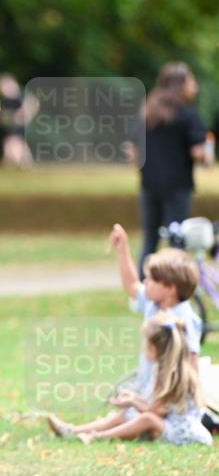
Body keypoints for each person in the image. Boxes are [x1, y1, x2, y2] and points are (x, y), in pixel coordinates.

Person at [47, 223, 202, 440]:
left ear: (170, 287)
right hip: (152, 388)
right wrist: (123, 250)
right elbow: (131, 286)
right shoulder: (153, 304)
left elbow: (191, 363)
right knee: (125, 413)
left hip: (170, 397)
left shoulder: (185, 318)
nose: (144, 282)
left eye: (151, 279)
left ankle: (92, 435)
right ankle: (75, 431)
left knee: (134, 415)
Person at [59, 314, 211, 446]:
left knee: (147, 419)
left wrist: (133, 402)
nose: (144, 348)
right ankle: (73, 430)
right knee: (127, 414)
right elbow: (158, 406)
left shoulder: (168, 375)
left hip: (183, 434)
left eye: (146, 344)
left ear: (156, 348)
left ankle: (95, 436)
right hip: (173, 425)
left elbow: (156, 413)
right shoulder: (165, 369)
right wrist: (133, 399)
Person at [126, 62, 207, 277]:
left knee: (150, 241)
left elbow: (132, 150)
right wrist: (206, 157)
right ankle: (175, 290)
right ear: (180, 84)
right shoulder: (188, 115)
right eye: (191, 81)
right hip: (178, 186)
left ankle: (144, 290)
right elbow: (198, 152)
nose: (195, 86)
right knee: (176, 241)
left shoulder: (147, 112)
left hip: (149, 185)